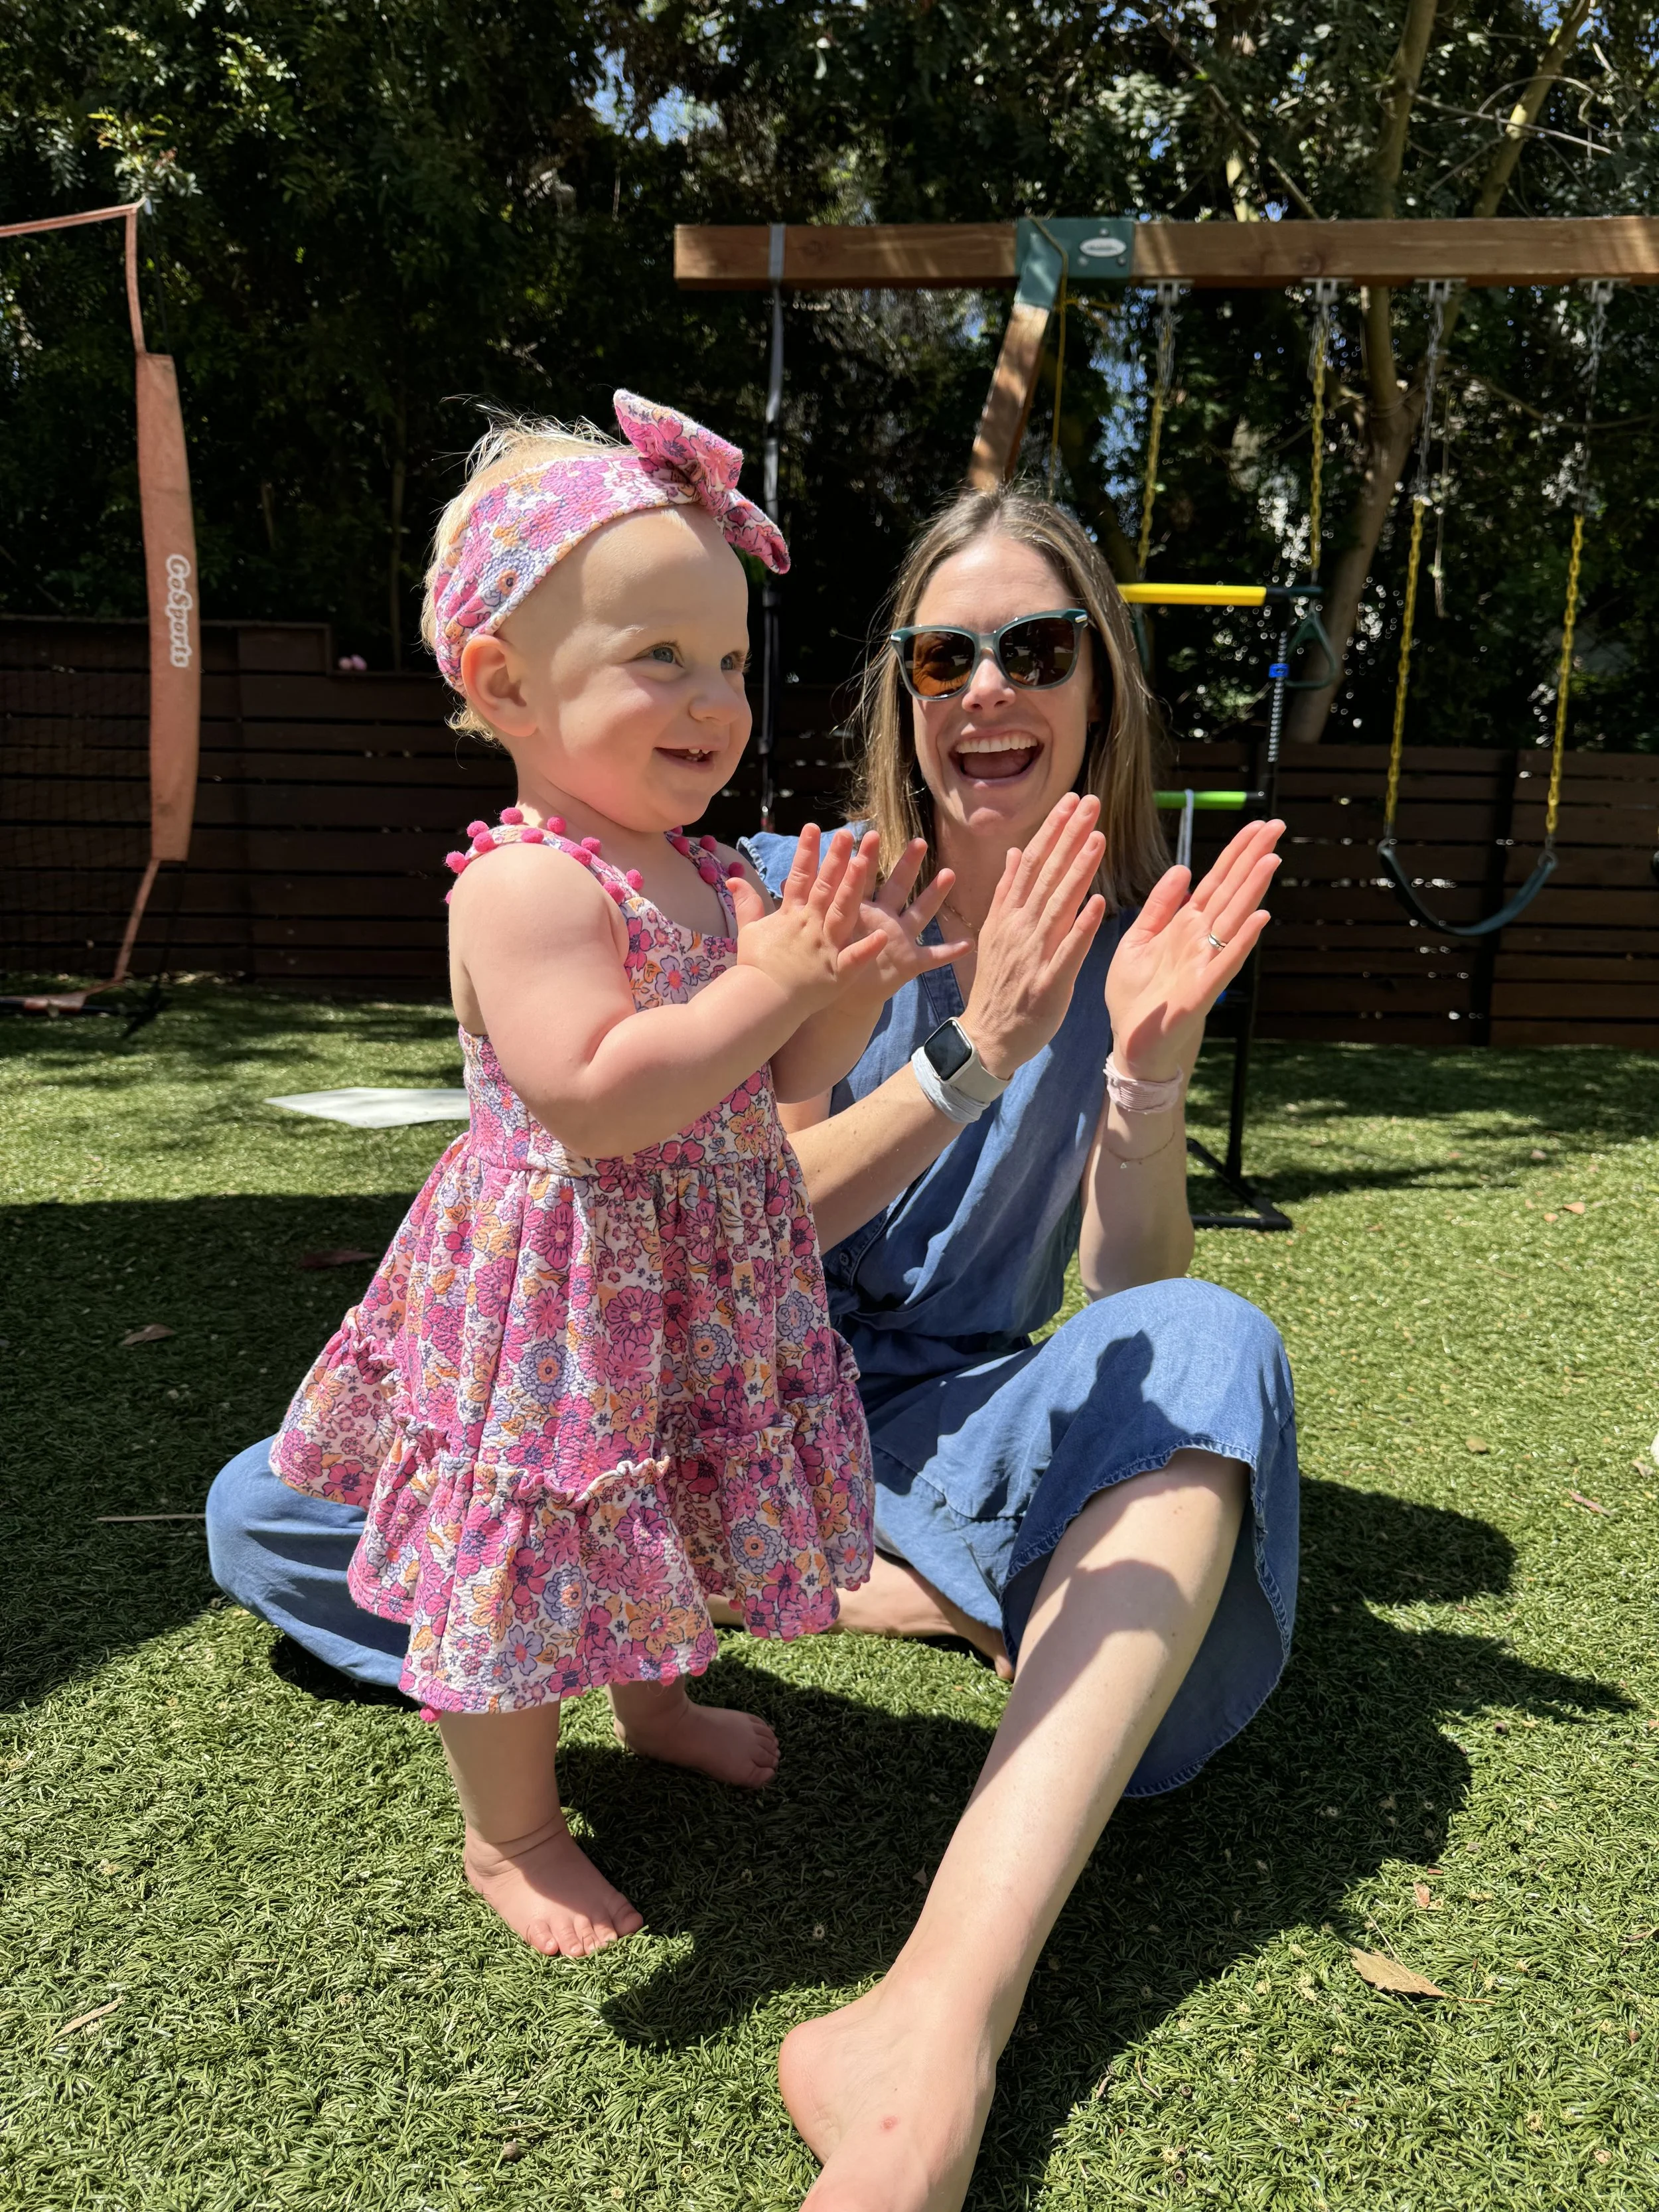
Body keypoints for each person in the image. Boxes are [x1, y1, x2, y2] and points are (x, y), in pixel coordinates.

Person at [257, 390, 961, 1963]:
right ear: (503, 682)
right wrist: (769, 983)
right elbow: (593, 1100)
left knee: (670, 1501)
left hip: (701, 1274)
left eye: (725, 661)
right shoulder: (523, 883)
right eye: (659, 657)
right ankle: (509, 1829)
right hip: (562, 1286)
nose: (710, 697)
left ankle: (657, 1696)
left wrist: (842, 975)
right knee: (532, 1530)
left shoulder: (714, 875)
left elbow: (781, 1077)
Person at [731, 487, 1299, 2211]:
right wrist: (968, 1052)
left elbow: (1130, 1300)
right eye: (943, 652)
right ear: (904, 696)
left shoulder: (1134, 944)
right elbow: (737, 1238)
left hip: (942, 1418)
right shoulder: (788, 891)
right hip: (737, 1390)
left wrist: (1139, 1081)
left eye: (1034, 649)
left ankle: (921, 2038)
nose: (987, 686)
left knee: (1210, 1340)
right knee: (289, 1516)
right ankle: (905, 1580)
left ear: (1095, 693)